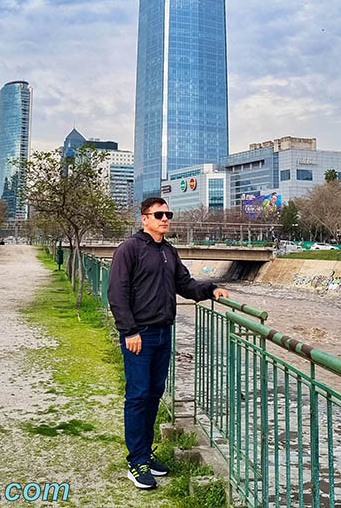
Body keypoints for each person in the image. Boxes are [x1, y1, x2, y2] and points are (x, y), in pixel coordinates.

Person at [108, 197, 228, 490]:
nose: (165, 219)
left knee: (153, 395)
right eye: (158, 214)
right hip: (139, 335)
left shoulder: (168, 252)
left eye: (167, 214)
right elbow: (117, 293)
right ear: (144, 219)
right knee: (137, 396)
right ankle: (136, 462)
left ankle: (145, 453)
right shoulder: (130, 249)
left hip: (163, 333)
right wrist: (129, 331)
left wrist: (211, 289)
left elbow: (185, 285)